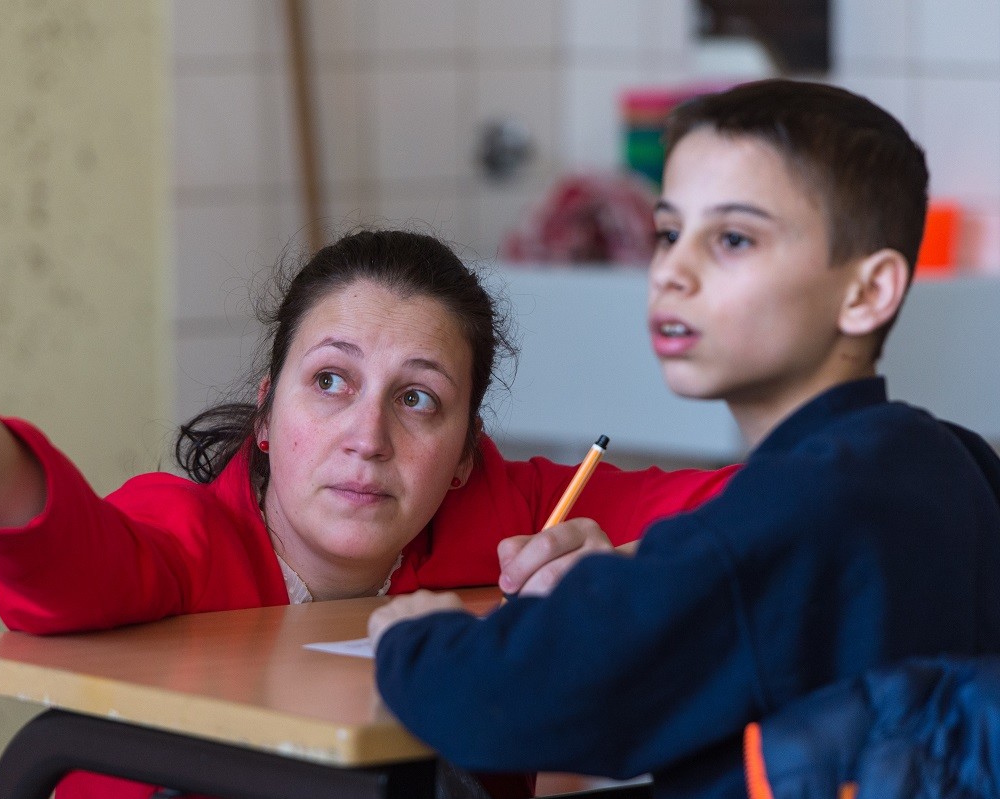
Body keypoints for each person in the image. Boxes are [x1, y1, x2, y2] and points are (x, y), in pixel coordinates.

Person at [0, 229, 734, 799]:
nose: (366, 436)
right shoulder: (186, 533)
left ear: (464, 453)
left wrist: (629, 563)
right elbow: (65, 564)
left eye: (417, 399)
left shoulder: (515, 516)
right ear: (266, 414)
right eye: (330, 382)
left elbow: (787, 507)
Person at [367, 80, 1000, 799]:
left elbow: (508, 700)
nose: (673, 270)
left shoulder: (780, 512)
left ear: (867, 291)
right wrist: (639, 583)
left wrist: (414, 638)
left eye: (732, 238)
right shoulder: (946, 459)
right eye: (669, 232)